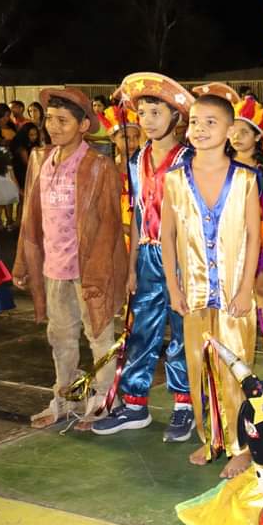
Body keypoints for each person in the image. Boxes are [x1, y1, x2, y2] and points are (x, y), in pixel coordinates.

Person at [14, 88, 127, 429]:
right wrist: (23, 261)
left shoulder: (99, 165)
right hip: (54, 268)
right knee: (60, 337)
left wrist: (102, 273)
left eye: (63, 121)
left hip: (89, 268)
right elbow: (29, 217)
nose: (53, 126)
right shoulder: (41, 160)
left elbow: (109, 224)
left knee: (100, 336)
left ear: (83, 125)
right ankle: (65, 398)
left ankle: (104, 399)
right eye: (50, 119)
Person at [160, 93, 261, 474]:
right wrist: (174, 286)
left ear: (230, 130)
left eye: (210, 122)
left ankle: (241, 444)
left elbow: (253, 236)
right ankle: (211, 437)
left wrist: (246, 288)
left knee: (236, 366)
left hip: (235, 293)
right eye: (195, 122)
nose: (200, 129)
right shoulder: (174, 180)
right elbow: (167, 236)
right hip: (194, 293)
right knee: (199, 366)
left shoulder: (246, 179)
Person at [92, 73, 195, 439]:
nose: (147, 121)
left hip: (182, 258)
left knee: (182, 330)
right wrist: (133, 263)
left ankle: (185, 405)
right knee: (141, 329)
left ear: (176, 116)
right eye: (142, 113)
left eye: (156, 112)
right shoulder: (137, 159)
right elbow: (137, 212)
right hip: (148, 254)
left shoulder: (190, 159)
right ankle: (135, 404)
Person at [229, 96, 263, 358]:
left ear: (258, 136)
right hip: (229, 234)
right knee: (231, 287)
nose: (237, 137)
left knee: (261, 287)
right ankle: (236, 336)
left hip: (257, 237)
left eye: (244, 132)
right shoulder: (223, 163)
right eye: (233, 130)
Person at [0, 145, 19, 230]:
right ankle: (9, 222)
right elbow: (13, 178)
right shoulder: (8, 167)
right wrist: (18, 188)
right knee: (9, 206)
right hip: (9, 191)